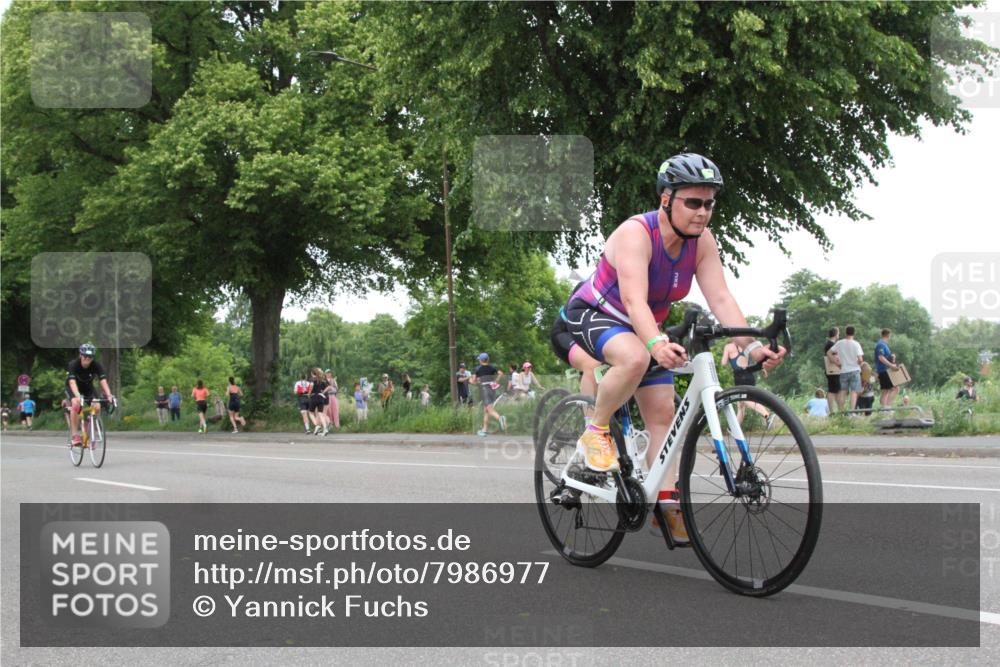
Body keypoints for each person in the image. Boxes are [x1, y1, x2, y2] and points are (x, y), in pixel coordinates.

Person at [557, 153, 785, 544]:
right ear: (666, 198)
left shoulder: (702, 243)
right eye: (692, 203)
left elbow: (721, 298)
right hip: (595, 314)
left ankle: (664, 500)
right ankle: (595, 431)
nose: (702, 213)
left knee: (662, 413)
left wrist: (750, 347)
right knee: (635, 356)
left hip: (643, 327)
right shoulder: (635, 234)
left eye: (709, 204)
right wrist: (655, 342)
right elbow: (633, 302)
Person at [66, 343, 114, 445]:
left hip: (88, 388)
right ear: (80, 355)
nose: (87, 358)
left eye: (90, 357)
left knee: (97, 406)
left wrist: (109, 395)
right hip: (73, 388)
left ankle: (89, 434)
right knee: (75, 403)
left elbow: (103, 380)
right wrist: (77, 396)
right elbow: (72, 382)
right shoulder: (73, 364)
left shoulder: (96, 365)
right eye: (85, 356)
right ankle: (75, 436)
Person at [720, 340, 773, 426]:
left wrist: (729, 356)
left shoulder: (728, 347)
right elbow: (757, 358)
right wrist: (763, 368)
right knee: (741, 406)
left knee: (746, 400)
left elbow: (723, 363)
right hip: (749, 376)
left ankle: (767, 415)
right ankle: (734, 429)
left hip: (740, 378)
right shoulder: (745, 346)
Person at [471, 352, 506, 436]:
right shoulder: (492, 367)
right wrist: (495, 381)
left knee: (489, 410)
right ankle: (484, 430)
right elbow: (501, 373)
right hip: (492, 388)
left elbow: (473, 381)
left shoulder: (478, 369)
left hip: (484, 389)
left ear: (480, 360)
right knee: (486, 410)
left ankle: (500, 418)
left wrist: (476, 381)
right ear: (487, 359)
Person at [831, 326, 864, 411]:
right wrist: (860, 363)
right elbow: (860, 359)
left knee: (843, 391)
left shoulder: (840, 343)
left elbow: (830, 352)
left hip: (843, 370)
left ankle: (841, 411)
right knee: (854, 392)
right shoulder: (856, 344)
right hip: (854, 370)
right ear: (854, 333)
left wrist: (837, 363)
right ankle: (852, 412)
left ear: (846, 332)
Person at [874, 328, 900, 408]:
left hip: (885, 370)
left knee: (886, 390)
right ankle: (887, 407)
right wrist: (891, 365)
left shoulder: (884, 345)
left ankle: (885, 408)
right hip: (884, 370)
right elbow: (881, 357)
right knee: (894, 389)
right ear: (888, 335)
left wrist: (892, 357)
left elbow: (885, 357)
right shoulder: (881, 344)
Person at [823, 327, 843, 414]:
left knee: (837, 389)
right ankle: (832, 410)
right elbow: (833, 357)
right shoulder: (830, 345)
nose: (839, 335)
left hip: (833, 370)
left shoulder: (830, 344)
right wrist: (839, 364)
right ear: (835, 334)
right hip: (833, 370)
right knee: (832, 390)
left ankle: (839, 409)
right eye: (838, 333)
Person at [308, 367, 330, 435]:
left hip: (314, 397)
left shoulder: (312, 379)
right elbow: (326, 388)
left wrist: (308, 394)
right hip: (321, 397)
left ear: (312, 373)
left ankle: (317, 425)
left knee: (311, 412)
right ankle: (325, 428)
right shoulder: (322, 380)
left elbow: (311, 386)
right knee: (321, 414)